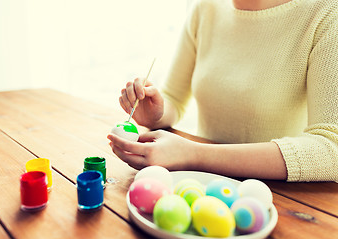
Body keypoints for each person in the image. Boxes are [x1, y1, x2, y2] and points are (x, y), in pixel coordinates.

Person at [107, 0, 338, 182]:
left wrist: (193, 154)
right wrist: (156, 113)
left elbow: (331, 149)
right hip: (201, 183)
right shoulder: (204, 8)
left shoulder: (325, 12)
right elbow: (174, 99)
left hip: (278, 197)